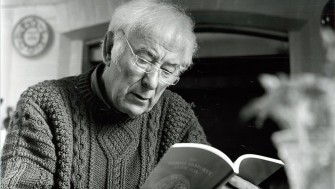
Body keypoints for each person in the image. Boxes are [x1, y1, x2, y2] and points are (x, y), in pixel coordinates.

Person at [1, 0, 258, 188]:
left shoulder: (175, 115)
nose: (152, 83)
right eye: (144, 60)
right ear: (110, 48)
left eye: (168, 70)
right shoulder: (44, 104)